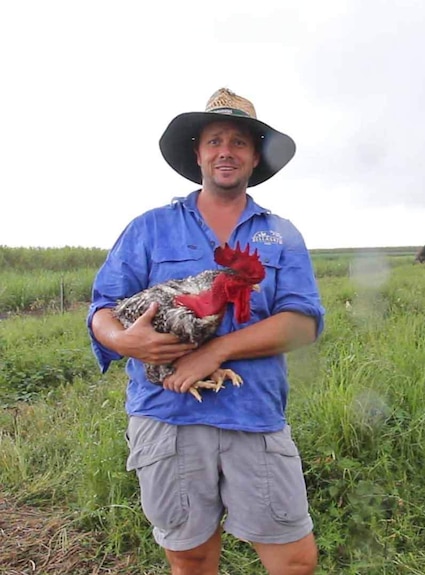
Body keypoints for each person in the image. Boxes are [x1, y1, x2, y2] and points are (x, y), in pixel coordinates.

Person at [88, 88, 325, 575]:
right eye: (215, 140)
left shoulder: (281, 233)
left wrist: (212, 353)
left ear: (255, 157)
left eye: (239, 142)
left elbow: (302, 323)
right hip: (167, 416)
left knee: (295, 560)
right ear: (198, 153)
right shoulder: (149, 228)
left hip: (254, 414)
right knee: (191, 557)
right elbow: (103, 308)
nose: (225, 151)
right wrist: (121, 339)